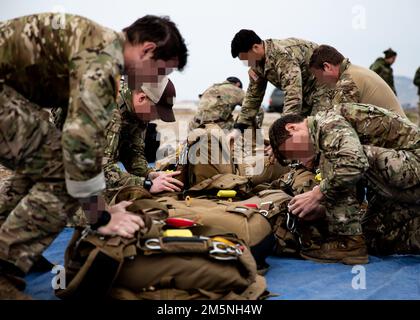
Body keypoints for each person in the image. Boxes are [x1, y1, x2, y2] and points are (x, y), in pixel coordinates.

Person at [0, 12, 188, 299]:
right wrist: (99, 216)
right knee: (64, 173)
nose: (157, 80)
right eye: (161, 72)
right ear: (148, 50)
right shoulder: (102, 64)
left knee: (44, 168)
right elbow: (81, 147)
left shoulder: (101, 47)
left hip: (11, 94)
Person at [269, 103, 420, 265]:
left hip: (414, 163)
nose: (299, 159)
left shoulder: (327, 123)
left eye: (292, 153)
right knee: (373, 236)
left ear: (292, 128)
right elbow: (356, 189)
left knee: (337, 160)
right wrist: (325, 208)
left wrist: (317, 194)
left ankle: (348, 243)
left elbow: (353, 162)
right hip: (404, 182)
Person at [227, 30, 331, 144]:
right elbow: (253, 97)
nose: (247, 64)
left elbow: (293, 95)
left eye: (246, 59)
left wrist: (282, 132)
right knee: (299, 136)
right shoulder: (256, 64)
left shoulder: (282, 56)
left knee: (317, 130)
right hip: (305, 92)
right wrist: (238, 130)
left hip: (324, 85)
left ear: (255, 47)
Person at [104, 77, 184, 197]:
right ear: (141, 98)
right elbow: (99, 172)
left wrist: (148, 174)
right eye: (155, 113)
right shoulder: (108, 109)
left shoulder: (137, 113)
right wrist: (146, 184)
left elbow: (132, 153)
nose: (155, 118)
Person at [309, 45, 406, 117]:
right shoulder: (354, 70)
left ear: (327, 67)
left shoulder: (348, 81)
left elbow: (337, 122)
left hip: (396, 141)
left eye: (319, 77)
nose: (320, 82)